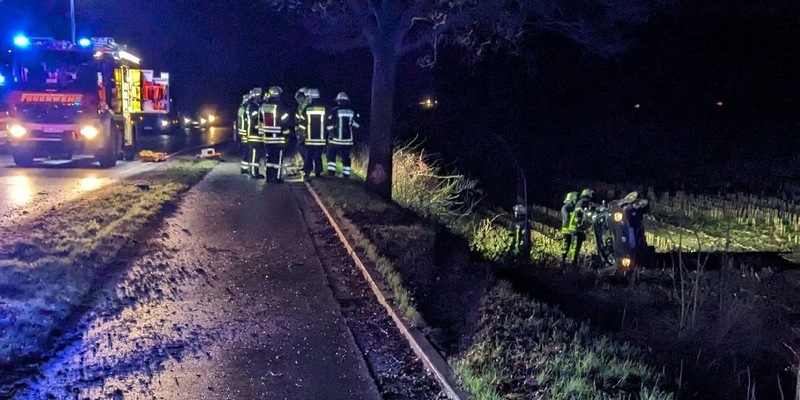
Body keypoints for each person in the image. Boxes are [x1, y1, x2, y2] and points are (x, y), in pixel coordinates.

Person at [259, 86, 291, 182]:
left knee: (269, 157)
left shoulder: (263, 107)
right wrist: (286, 135)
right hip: (278, 137)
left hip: (267, 137)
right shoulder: (280, 107)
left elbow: (260, 120)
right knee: (278, 158)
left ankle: (269, 177)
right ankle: (277, 177)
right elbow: (285, 121)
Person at [326, 92, 360, 178]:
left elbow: (329, 124)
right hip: (347, 141)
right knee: (345, 156)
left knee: (331, 155)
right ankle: (346, 174)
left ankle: (331, 173)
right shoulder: (352, 112)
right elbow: (357, 126)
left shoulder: (334, 111)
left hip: (335, 140)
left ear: (338, 101)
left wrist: (331, 134)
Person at [295, 88, 327, 181]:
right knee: (318, 155)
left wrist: (301, 133)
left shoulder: (307, 108)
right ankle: (318, 172)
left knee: (309, 155)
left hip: (310, 137)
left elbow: (302, 122)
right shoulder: (324, 108)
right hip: (321, 137)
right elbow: (327, 122)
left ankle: (307, 172)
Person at [566, 188, 596, 267]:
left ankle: (573, 262)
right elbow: (586, 213)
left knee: (575, 245)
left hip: (576, 228)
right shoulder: (584, 202)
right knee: (575, 246)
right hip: (576, 228)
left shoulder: (580, 202)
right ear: (588, 194)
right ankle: (572, 263)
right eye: (591, 194)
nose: (592, 196)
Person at [245, 88, 264, 178]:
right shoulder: (252, 106)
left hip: (255, 133)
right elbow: (254, 119)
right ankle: (254, 173)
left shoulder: (253, 105)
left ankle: (254, 172)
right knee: (255, 154)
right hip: (254, 133)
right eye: (259, 96)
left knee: (257, 154)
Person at [560, 191, 579, 266]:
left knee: (571, 244)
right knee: (566, 244)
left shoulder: (572, 207)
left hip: (571, 229)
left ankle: (570, 260)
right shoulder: (565, 207)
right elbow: (566, 217)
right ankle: (563, 260)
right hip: (566, 229)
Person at [237, 94, 251, 175]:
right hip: (245, 133)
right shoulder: (243, 108)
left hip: (244, 133)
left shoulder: (242, 108)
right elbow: (242, 122)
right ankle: (244, 169)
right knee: (247, 152)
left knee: (247, 151)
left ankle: (245, 168)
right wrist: (244, 133)